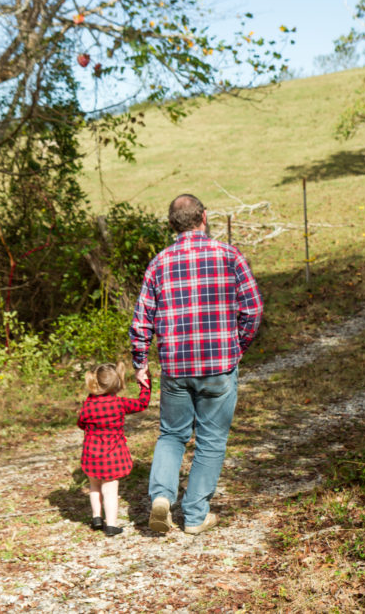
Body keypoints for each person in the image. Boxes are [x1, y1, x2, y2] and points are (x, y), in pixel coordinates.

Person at [130, 194, 263, 535]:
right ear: (204, 217)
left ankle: (161, 499)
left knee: (172, 435)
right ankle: (194, 515)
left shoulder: (159, 263)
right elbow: (253, 309)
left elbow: (142, 319)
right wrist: (238, 345)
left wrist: (140, 362)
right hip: (219, 364)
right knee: (212, 439)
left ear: (172, 225)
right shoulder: (229, 256)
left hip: (176, 367)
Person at [77, 361, 151, 536]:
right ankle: (110, 525)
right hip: (112, 457)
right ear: (117, 383)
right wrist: (145, 386)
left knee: (94, 486)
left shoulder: (88, 404)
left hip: (91, 455)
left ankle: (96, 517)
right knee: (110, 491)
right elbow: (142, 403)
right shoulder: (120, 403)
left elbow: (81, 423)